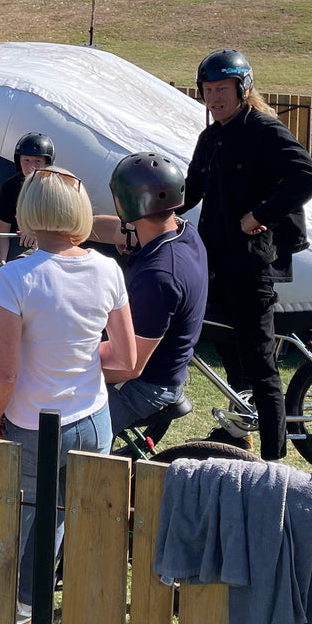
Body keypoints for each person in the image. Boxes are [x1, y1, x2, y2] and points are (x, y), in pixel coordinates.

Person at [0, 167, 136, 611]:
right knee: (74, 514)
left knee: (31, 517)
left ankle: (23, 603)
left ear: (28, 211)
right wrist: (79, 356)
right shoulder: (108, 269)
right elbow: (126, 359)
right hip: (94, 418)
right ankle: (50, 599)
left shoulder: (14, 277)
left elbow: (5, 372)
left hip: (33, 422)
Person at [184, 50, 312, 459]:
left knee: (261, 365)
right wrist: (147, 212)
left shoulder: (263, 128)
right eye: (207, 91)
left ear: (243, 88)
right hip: (216, 260)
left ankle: (273, 459)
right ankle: (238, 432)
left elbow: (308, 177)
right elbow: (189, 192)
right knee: (230, 351)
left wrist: (261, 213)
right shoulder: (210, 137)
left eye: (221, 90)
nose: (213, 98)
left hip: (252, 263)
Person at [89, 152, 209, 434]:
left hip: (144, 385)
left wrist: (59, 368)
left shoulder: (158, 277)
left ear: (125, 204)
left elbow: (127, 366)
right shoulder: (183, 232)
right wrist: (62, 228)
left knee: (48, 444)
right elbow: (113, 230)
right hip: (161, 370)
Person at [0, 133, 54, 254]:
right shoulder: (11, 186)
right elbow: (2, 232)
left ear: (47, 163)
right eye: (26, 160)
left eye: (37, 161)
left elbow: (66, 229)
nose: (31, 166)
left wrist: (38, 233)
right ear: (19, 161)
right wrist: (1, 264)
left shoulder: (57, 187)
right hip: (19, 244)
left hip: (50, 247)